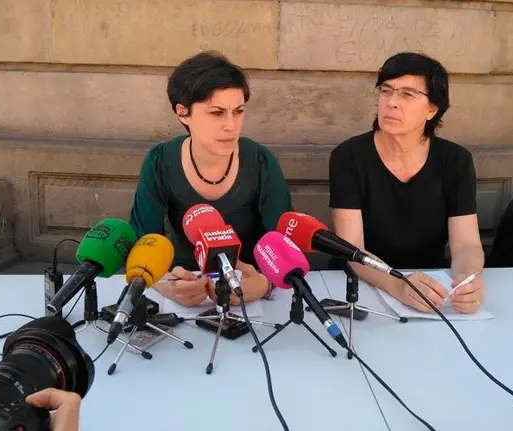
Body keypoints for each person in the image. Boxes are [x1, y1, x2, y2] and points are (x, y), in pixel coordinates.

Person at [129, 51, 292, 307]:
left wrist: (263, 283)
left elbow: (286, 247)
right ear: (183, 112)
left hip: (249, 288)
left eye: (238, 111)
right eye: (217, 113)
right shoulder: (160, 162)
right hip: (184, 283)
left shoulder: (260, 161)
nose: (231, 125)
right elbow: (142, 245)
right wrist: (166, 285)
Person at [329, 52, 485, 314]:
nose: (391, 103)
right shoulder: (349, 156)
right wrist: (398, 285)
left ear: (432, 109)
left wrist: (468, 280)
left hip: (431, 284)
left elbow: (466, 244)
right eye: (386, 91)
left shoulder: (455, 160)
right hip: (358, 286)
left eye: (407, 95)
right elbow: (352, 249)